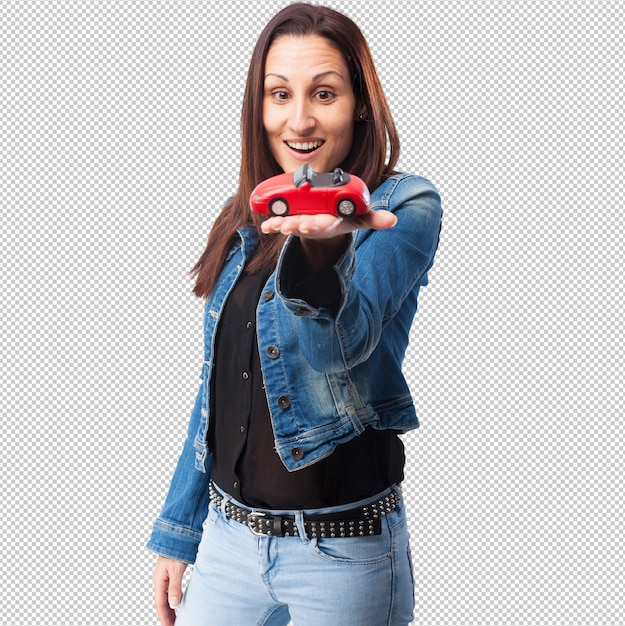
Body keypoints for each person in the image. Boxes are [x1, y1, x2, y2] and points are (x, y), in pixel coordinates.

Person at [147, 4, 442, 625]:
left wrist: (324, 250)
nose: (299, 119)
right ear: (259, 105)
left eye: (325, 93)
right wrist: (180, 528)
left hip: (343, 556)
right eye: (279, 94)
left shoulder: (402, 205)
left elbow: (340, 345)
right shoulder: (244, 214)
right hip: (227, 546)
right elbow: (216, 389)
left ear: (360, 103)